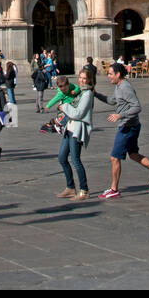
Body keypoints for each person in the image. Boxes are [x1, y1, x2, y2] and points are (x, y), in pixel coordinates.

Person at [94, 63, 149, 199]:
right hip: (131, 125)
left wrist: (120, 115)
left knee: (115, 157)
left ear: (118, 74)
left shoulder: (125, 87)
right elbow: (113, 101)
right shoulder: (119, 86)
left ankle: (114, 189)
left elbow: (137, 106)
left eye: (110, 74)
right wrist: (96, 94)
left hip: (128, 127)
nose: (108, 76)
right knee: (133, 154)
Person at [57, 69, 94, 200]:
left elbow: (78, 114)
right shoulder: (80, 92)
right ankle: (70, 187)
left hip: (77, 130)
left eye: (84, 78)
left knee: (75, 160)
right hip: (69, 127)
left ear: (89, 80)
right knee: (62, 157)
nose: (82, 80)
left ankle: (84, 190)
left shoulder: (88, 94)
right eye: (80, 77)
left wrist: (65, 106)